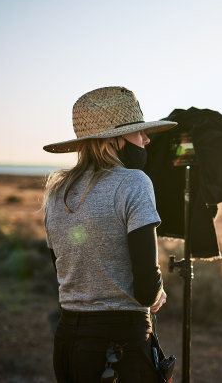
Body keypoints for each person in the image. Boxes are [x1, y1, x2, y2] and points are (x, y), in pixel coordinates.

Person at [42, 86, 176, 382]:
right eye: (138, 132)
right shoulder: (134, 183)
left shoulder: (56, 191)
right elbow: (145, 289)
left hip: (68, 340)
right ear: (113, 140)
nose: (146, 139)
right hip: (120, 346)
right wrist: (158, 292)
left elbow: (65, 270)